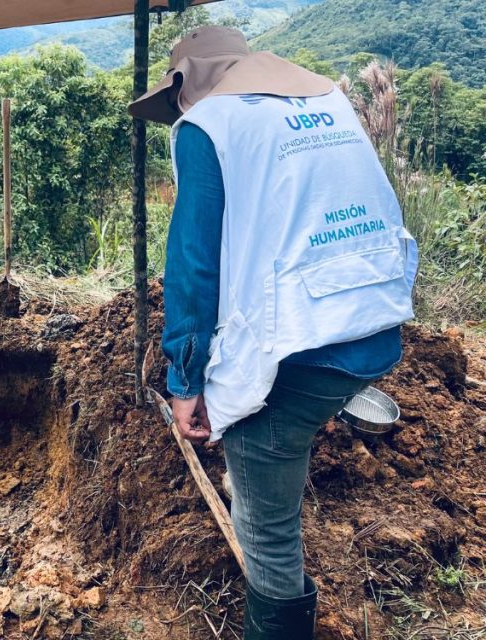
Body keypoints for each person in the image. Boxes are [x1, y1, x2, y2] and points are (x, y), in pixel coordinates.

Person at [129, 27, 417, 639]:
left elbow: (193, 265)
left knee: (264, 501)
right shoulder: (327, 102)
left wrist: (185, 380)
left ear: (186, 85)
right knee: (291, 426)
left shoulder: (208, 126)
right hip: (376, 325)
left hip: (306, 347)